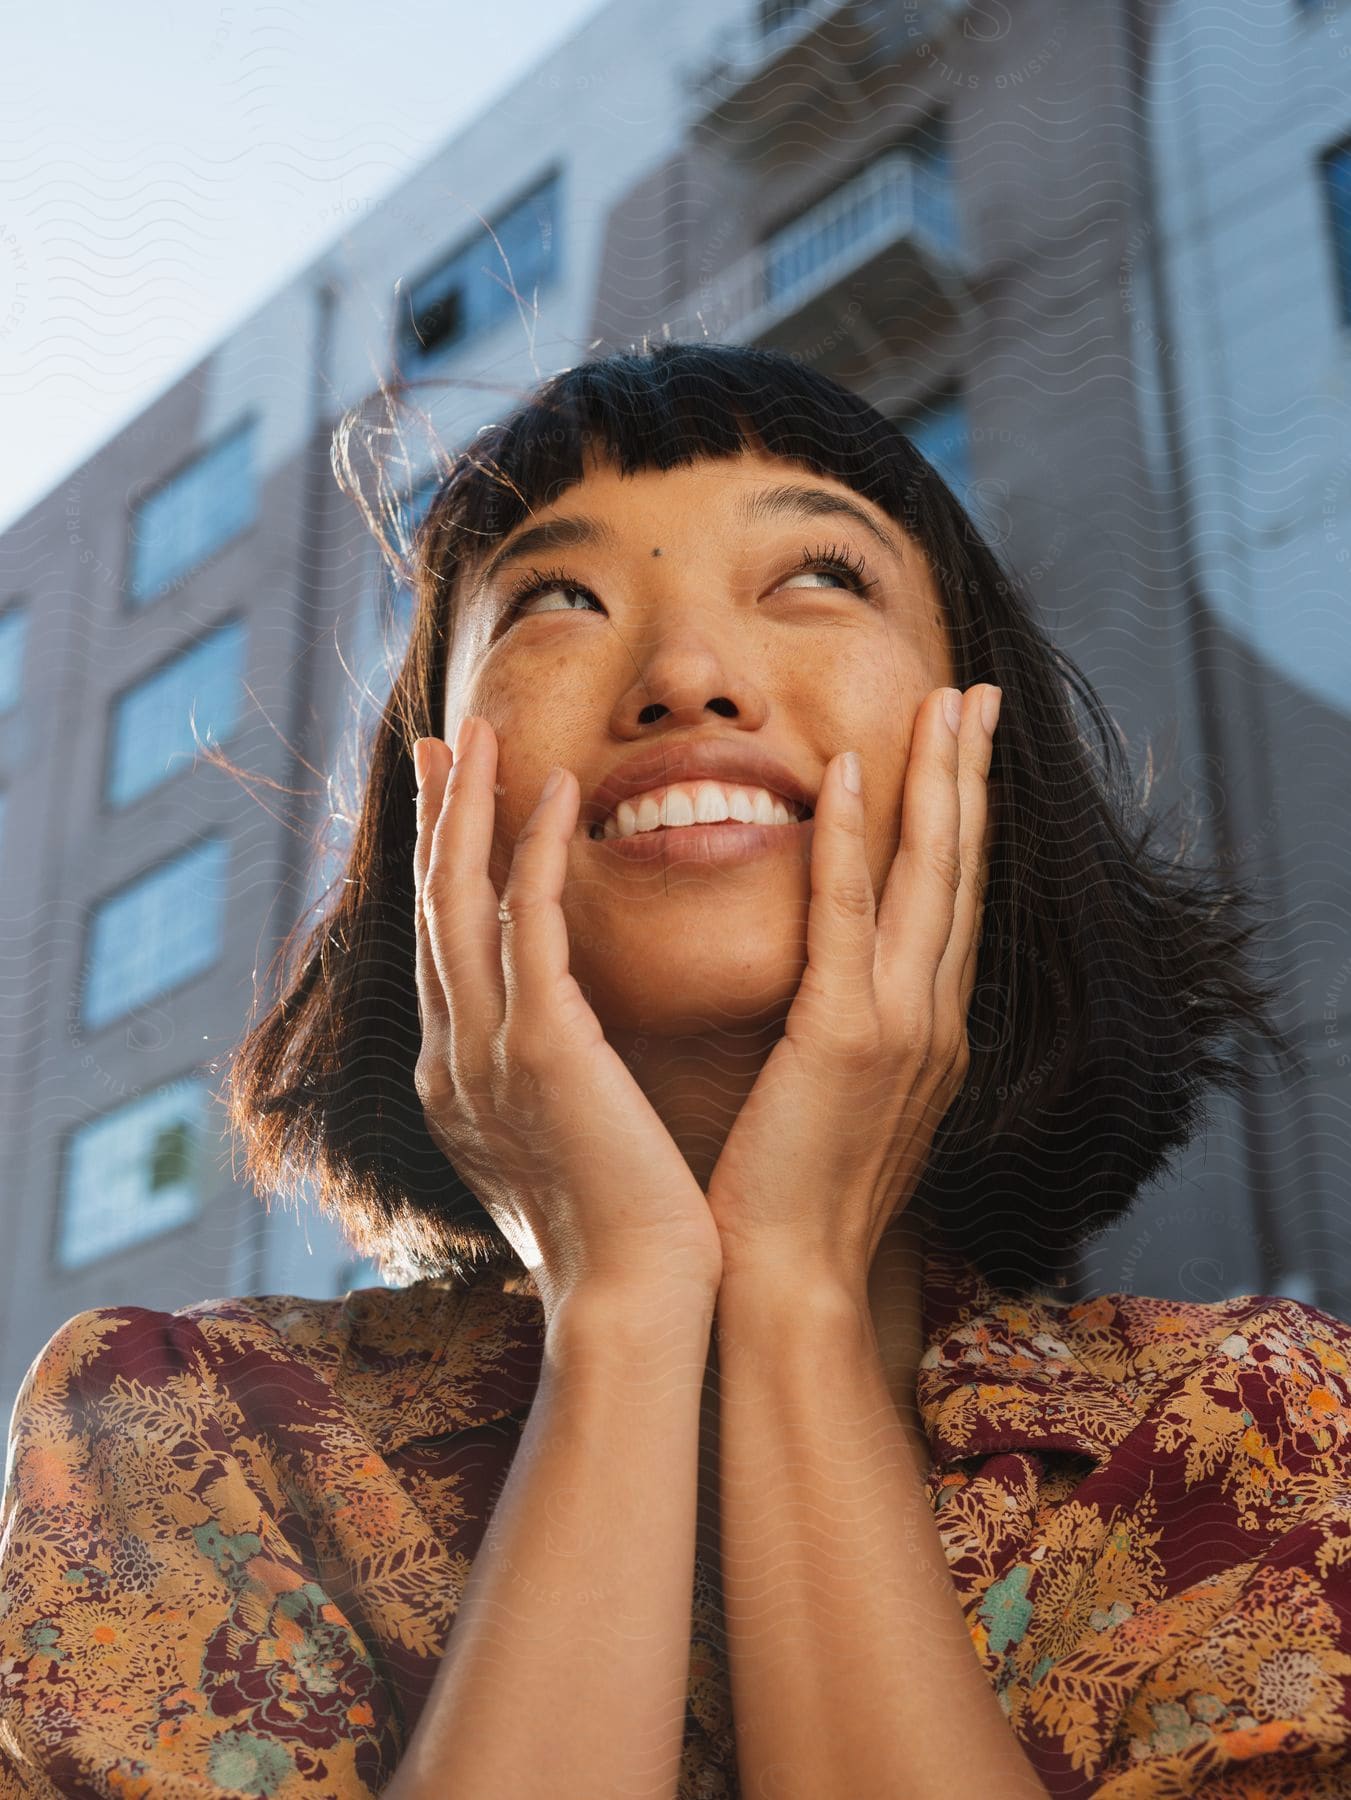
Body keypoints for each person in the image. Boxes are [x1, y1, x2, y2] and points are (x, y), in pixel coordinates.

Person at [3, 341, 1349, 1800]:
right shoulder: (179, 1428)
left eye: (817, 576)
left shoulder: (1257, 1427)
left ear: (979, 756)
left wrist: (797, 1294)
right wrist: (626, 1305)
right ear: (427, 807)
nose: (687, 679)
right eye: (556, 601)